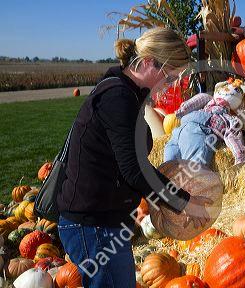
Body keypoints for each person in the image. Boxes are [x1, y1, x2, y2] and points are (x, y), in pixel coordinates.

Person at [56, 27, 212, 287]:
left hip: (105, 221)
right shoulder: (118, 98)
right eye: (170, 76)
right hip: (93, 225)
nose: (172, 85)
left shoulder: (127, 94)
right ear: (150, 62)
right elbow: (133, 169)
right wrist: (183, 202)